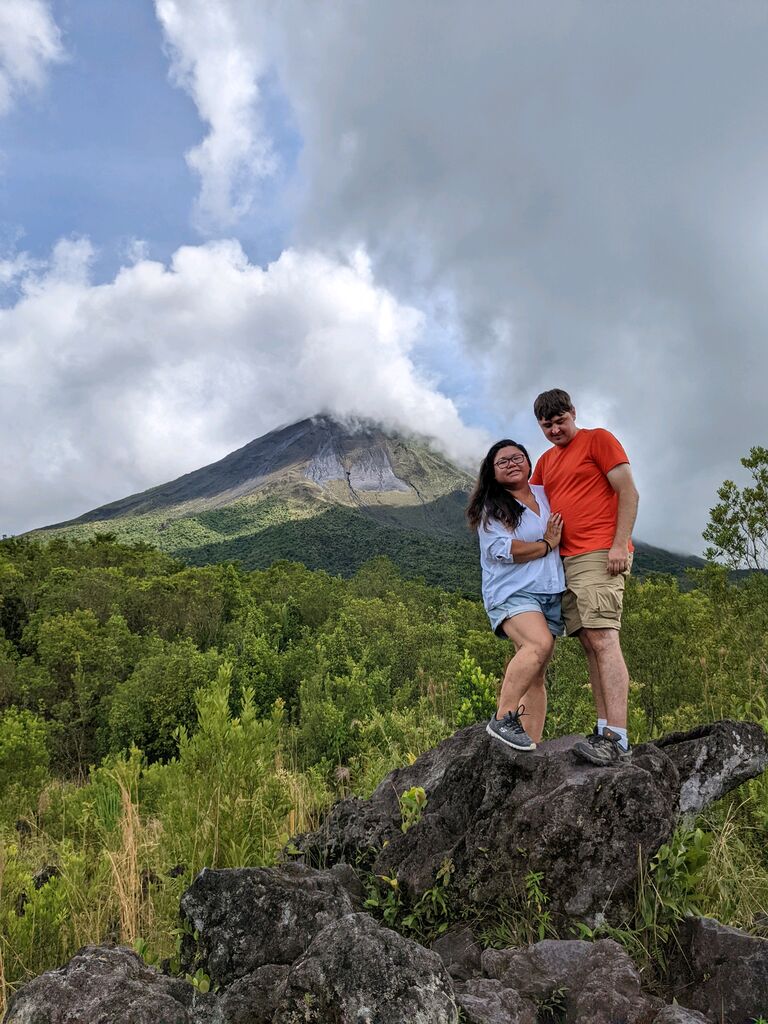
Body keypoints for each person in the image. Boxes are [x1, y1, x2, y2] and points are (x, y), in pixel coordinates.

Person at [531, 388, 639, 764]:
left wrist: (619, 544)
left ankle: (617, 736)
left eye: (561, 421)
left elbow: (628, 490)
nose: (555, 430)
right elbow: (529, 506)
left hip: (599, 552)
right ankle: (603, 727)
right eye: (547, 425)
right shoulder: (545, 462)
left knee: (605, 639)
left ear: (573, 413)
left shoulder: (599, 440)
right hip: (564, 562)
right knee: (590, 642)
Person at [466, 439, 565, 751]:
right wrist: (546, 544)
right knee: (539, 643)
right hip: (512, 592)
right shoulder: (491, 509)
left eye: (517, 457)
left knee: (536, 674)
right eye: (502, 461)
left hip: (550, 590)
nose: (511, 464)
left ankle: (527, 747)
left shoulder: (544, 494)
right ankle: (503, 717)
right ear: (492, 473)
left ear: (528, 462)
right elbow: (502, 550)